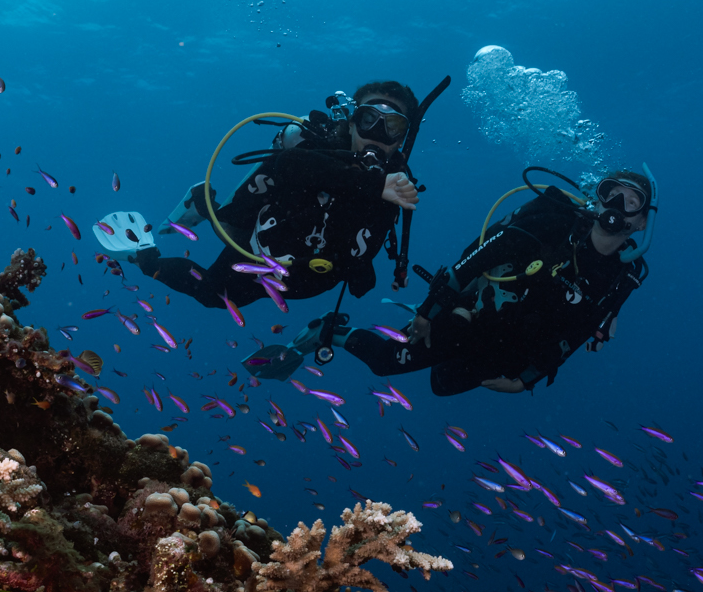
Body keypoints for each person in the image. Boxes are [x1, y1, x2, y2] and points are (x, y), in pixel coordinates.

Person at [95, 83, 427, 322]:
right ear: (352, 121)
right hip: (256, 250)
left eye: (393, 125)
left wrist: (360, 270)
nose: (378, 133)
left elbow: (369, 237)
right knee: (213, 294)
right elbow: (290, 165)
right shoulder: (321, 151)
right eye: (369, 119)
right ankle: (165, 238)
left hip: (307, 278)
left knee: (220, 300)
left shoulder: (397, 184)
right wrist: (372, 183)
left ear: (402, 139)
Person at [320, 166, 656, 395]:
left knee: (442, 385)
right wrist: (428, 312)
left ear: (642, 222)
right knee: (386, 363)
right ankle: (328, 330)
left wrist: (527, 380)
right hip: (472, 313)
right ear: (596, 198)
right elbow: (471, 263)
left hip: (514, 346)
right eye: (610, 193)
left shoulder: (622, 276)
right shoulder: (551, 226)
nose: (616, 205)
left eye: (631, 201)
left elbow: (580, 333)